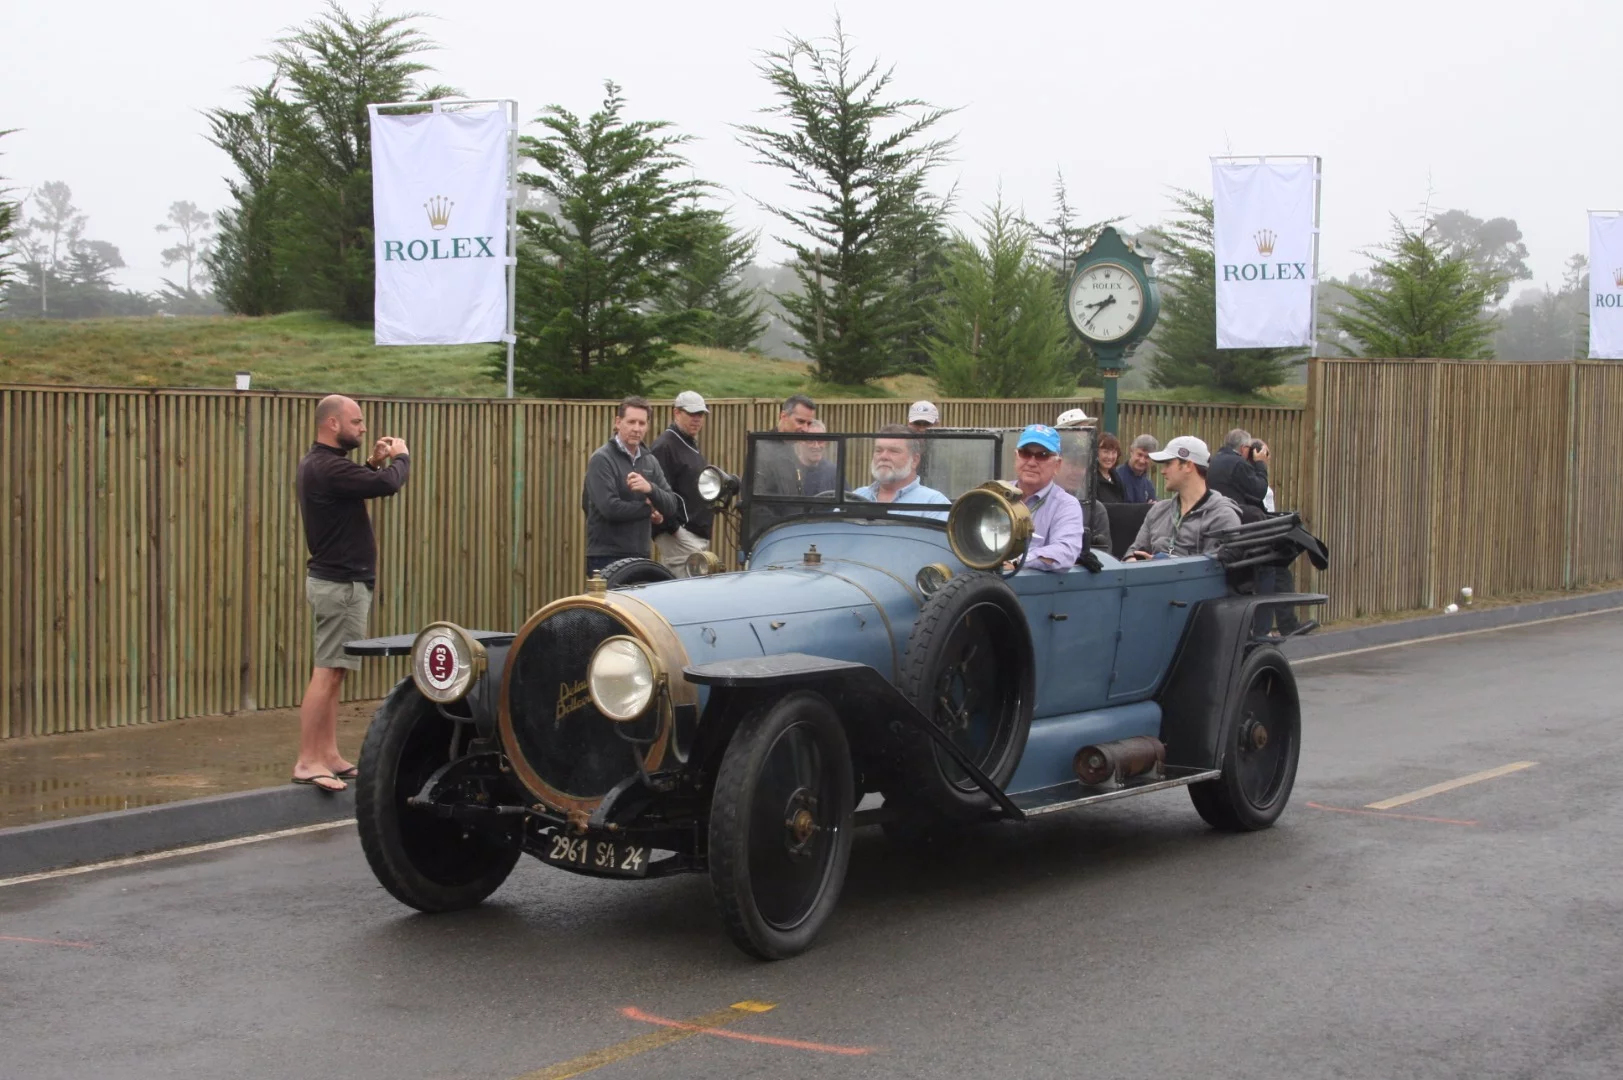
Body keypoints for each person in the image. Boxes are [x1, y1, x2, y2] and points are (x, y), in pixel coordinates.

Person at [293, 395, 411, 792]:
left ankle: (328, 755)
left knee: (335, 671)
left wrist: (375, 463)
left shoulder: (325, 465)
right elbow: (386, 485)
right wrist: (401, 459)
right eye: (357, 422)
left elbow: (360, 481)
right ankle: (308, 761)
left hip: (343, 582)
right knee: (326, 672)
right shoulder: (326, 466)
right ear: (331, 424)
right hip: (339, 584)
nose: (364, 429)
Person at [582, 396, 684, 577]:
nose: (637, 429)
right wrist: (648, 510)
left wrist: (650, 489)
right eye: (631, 422)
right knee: (610, 606)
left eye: (642, 423)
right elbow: (609, 508)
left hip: (640, 554)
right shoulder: (602, 459)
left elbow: (671, 505)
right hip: (606, 556)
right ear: (618, 422)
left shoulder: (649, 460)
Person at [1126, 436, 1242, 560]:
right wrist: (1133, 561)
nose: (1163, 471)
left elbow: (1213, 572)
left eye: (1168, 463)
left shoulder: (1222, 516)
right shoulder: (1158, 511)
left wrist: (1160, 565)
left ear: (1188, 465)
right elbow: (1132, 554)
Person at [650, 391, 713, 576]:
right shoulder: (665, 446)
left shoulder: (687, 443)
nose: (697, 419)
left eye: (700, 414)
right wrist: (674, 529)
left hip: (693, 533)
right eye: (692, 414)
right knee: (687, 592)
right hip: (680, 535)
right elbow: (657, 493)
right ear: (676, 413)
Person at [1006, 424, 1084, 572]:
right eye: (1025, 453)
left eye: (1042, 455)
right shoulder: (995, 495)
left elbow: (1065, 552)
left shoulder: (1066, 505)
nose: (1031, 462)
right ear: (1016, 457)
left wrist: (1018, 562)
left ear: (1057, 465)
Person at [852, 425, 950, 519]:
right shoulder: (856, 497)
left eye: (893, 451)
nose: (883, 457)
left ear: (914, 460)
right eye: (878, 450)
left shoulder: (934, 503)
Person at [754, 392, 819, 499]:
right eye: (800, 421)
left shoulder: (793, 447)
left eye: (809, 423)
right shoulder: (762, 450)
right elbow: (757, 502)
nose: (805, 429)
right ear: (784, 416)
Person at [1206, 428, 1270, 520]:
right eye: (1249, 448)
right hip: (1232, 516)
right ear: (1243, 448)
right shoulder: (1238, 463)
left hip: (1213, 511)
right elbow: (1259, 491)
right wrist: (1260, 463)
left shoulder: (1214, 459)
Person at [795, 419, 839, 495]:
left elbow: (847, 500)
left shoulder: (833, 472)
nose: (816, 446)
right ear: (800, 441)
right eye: (811, 441)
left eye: (820, 441)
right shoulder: (789, 471)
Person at [1116, 434, 1159, 503]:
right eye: (1139, 455)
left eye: (1147, 457)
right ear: (1131, 451)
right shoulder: (1116, 477)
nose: (1142, 461)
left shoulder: (1149, 485)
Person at [1094, 433, 1127, 503]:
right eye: (1106, 452)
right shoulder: (1091, 479)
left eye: (1114, 452)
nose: (1110, 457)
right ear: (1096, 452)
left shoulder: (1117, 477)